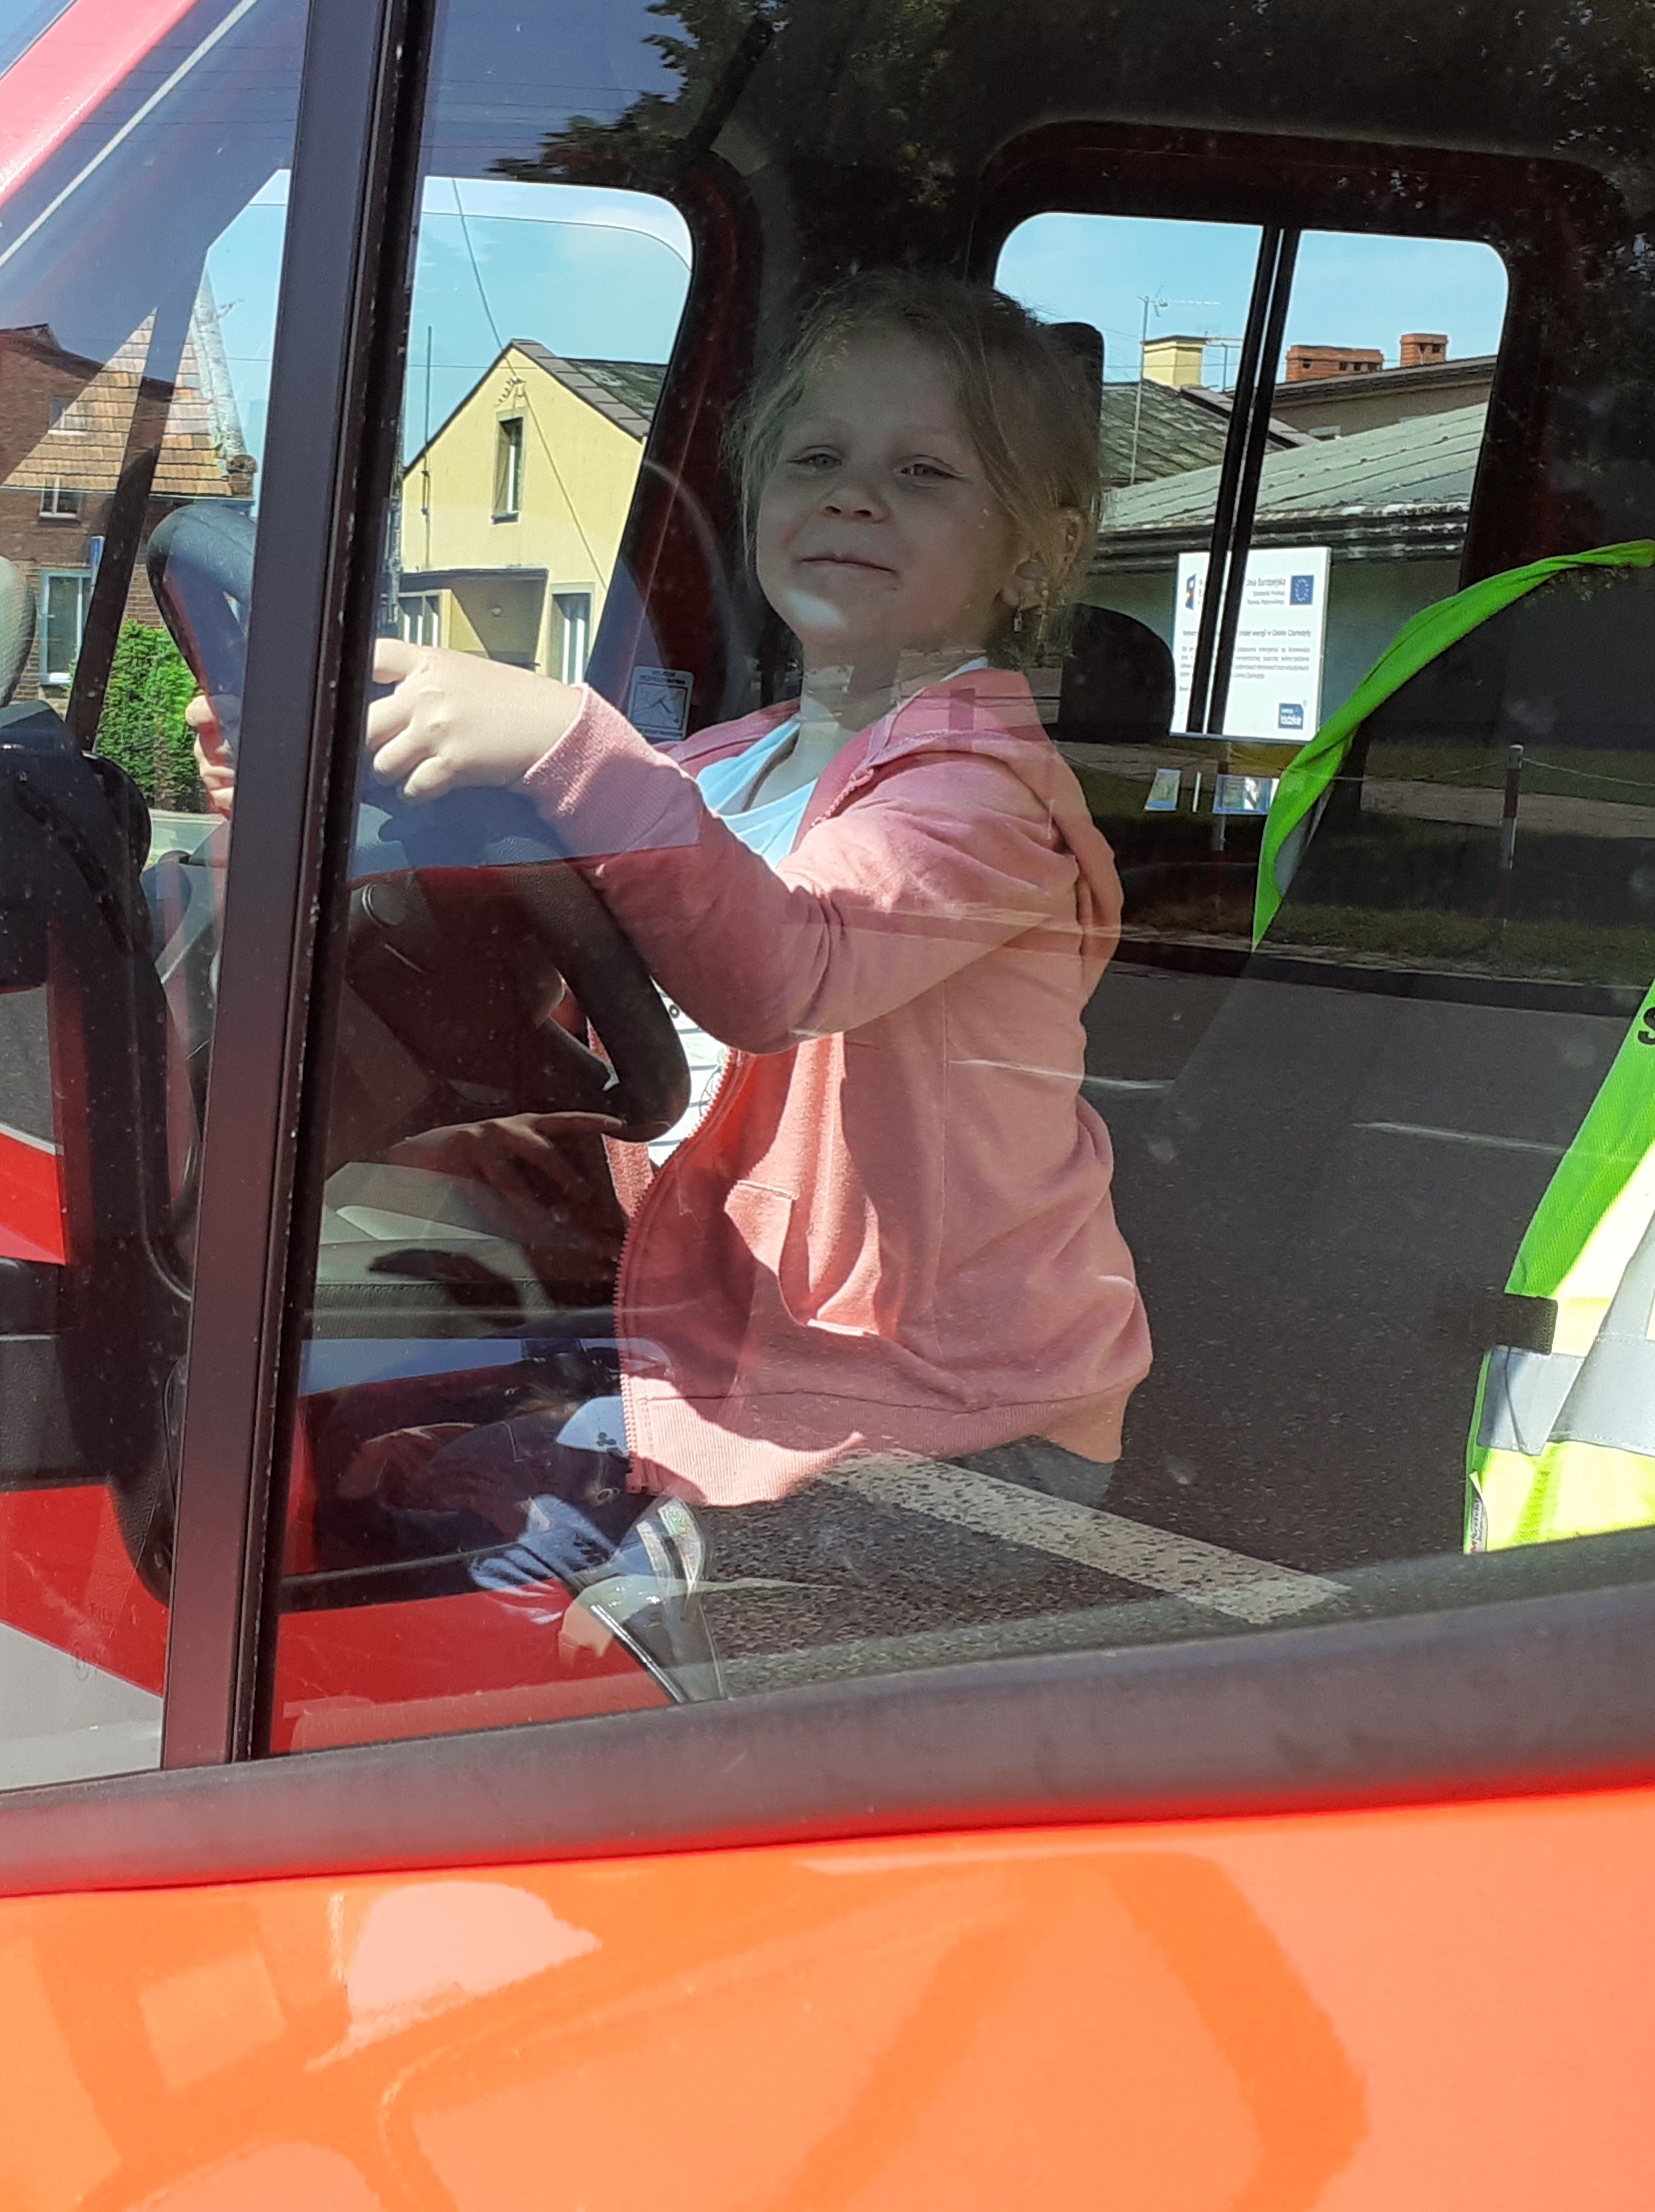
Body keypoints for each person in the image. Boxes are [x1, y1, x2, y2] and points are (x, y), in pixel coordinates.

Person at [339, 270, 1149, 1643]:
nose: (853, 497)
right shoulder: (725, 765)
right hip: (740, 1366)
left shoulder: (985, 796)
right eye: (816, 460)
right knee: (399, 1502)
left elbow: (783, 974)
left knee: (613, 1650)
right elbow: (567, 891)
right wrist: (344, 780)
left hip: (957, 1434)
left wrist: (566, 739)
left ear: (1037, 553)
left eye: (922, 472)